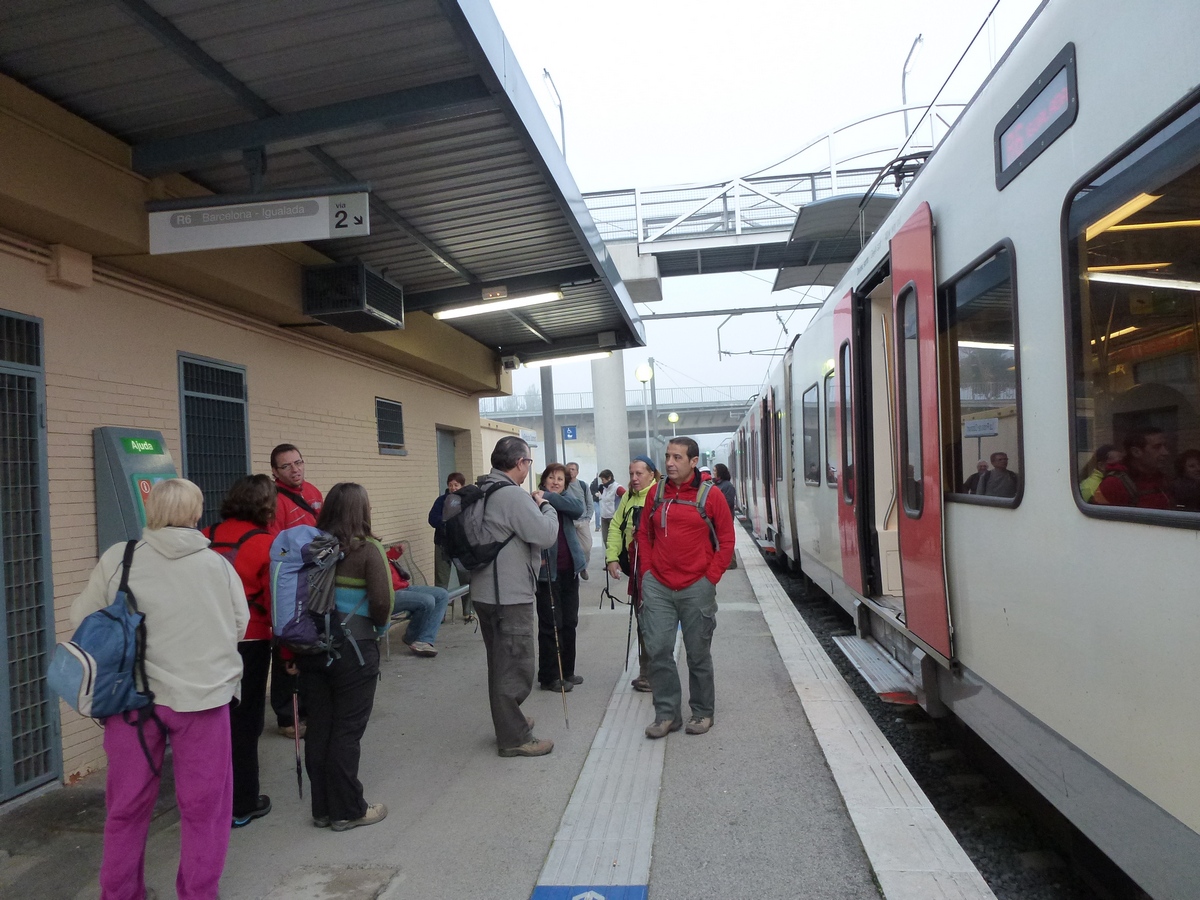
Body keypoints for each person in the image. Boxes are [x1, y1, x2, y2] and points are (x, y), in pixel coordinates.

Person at [71, 479, 248, 900]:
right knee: (204, 808)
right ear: (196, 514)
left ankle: (120, 893)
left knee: (126, 806)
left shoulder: (121, 557)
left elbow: (82, 617)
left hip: (131, 701)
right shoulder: (218, 566)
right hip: (203, 700)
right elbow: (239, 625)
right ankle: (198, 892)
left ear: (151, 511)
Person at [293, 482, 392, 831]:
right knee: (347, 731)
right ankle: (347, 810)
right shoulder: (368, 550)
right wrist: (379, 629)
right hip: (354, 650)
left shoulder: (308, 548)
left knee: (320, 728)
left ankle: (322, 809)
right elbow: (381, 602)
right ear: (360, 511)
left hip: (311, 649)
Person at [637, 437, 735, 739]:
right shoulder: (655, 493)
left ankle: (702, 712)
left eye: (677, 457)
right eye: (667, 456)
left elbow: (727, 540)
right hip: (659, 586)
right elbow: (644, 533)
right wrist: (647, 573)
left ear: (693, 462)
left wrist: (710, 577)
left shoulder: (711, 495)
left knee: (697, 654)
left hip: (696, 586)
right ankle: (667, 714)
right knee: (658, 650)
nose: (669, 463)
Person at [469, 436, 560, 757]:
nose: (528, 468)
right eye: (528, 462)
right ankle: (514, 737)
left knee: (499, 663)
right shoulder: (512, 495)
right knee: (515, 666)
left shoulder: (482, 488)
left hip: (484, 591)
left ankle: (510, 721)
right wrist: (546, 507)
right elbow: (545, 534)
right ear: (520, 462)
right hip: (509, 595)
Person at [206, 475, 276, 829]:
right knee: (245, 720)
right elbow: (273, 600)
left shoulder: (206, 535)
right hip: (250, 638)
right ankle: (243, 802)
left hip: (206, 637)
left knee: (210, 718)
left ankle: (211, 797)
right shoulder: (266, 543)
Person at [268, 443, 323, 739]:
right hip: (289, 582)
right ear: (275, 472)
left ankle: (309, 710)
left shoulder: (313, 491)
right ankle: (287, 717)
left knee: (309, 646)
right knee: (286, 647)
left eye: (298, 462)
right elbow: (274, 547)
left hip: (315, 580)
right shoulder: (275, 502)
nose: (295, 469)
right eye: (287, 466)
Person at [605, 454, 659, 692]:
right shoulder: (628, 496)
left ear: (651, 474)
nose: (634, 478)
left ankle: (654, 674)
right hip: (635, 570)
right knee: (642, 622)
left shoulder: (658, 495)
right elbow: (616, 527)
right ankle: (647, 673)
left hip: (655, 572)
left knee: (652, 623)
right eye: (631, 474)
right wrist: (612, 558)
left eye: (639, 473)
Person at [535, 463, 586, 692]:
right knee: (551, 624)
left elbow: (578, 509)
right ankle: (550, 676)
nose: (555, 482)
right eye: (551, 478)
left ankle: (567, 671)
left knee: (569, 622)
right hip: (547, 573)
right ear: (544, 479)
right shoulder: (534, 503)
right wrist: (543, 499)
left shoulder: (562, 500)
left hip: (569, 571)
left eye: (560, 479)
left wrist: (547, 496)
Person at [387, 544, 451, 657]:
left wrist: (394, 553)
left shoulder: (372, 544)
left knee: (442, 595)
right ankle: (412, 637)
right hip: (389, 593)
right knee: (427, 601)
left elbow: (384, 559)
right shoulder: (363, 547)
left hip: (403, 587)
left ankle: (424, 640)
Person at [1093, 427, 1172, 509]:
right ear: (1136, 452)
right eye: (1157, 447)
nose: (1165, 452)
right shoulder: (1113, 484)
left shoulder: (1161, 478)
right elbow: (1096, 515)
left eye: (1165, 446)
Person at [428, 472, 471, 620]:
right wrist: (445, 521)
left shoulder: (466, 501)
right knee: (441, 581)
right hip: (443, 545)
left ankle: (468, 611)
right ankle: (440, 615)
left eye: (456, 485)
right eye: (450, 485)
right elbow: (432, 519)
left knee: (466, 579)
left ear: (462, 486)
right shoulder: (441, 501)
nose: (453, 488)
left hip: (461, 546)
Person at [565, 462, 593, 580]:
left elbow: (589, 502)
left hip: (582, 521)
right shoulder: (563, 485)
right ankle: (574, 571)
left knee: (586, 547)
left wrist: (588, 518)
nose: (570, 471)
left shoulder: (583, 485)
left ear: (577, 472)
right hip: (568, 521)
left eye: (573, 469)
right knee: (569, 548)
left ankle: (583, 567)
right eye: (568, 469)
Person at [712, 463, 739, 570]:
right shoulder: (716, 484)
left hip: (725, 516)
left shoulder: (727, 486)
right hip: (717, 516)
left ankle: (732, 562)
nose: (713, 472)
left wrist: (717, 506)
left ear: (720, 472)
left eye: (715, 470)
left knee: (726, 539)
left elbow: (729, 502)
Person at [598, 469, 625, 549]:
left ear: (609, 478)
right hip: (604, 517)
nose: (602, 482)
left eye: (603, 479)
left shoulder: (618, 488)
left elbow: (627, 497)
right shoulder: (604, 488)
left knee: (614, 540)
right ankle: (609, 555)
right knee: (605, 540)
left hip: (613, 518)